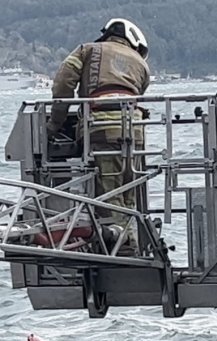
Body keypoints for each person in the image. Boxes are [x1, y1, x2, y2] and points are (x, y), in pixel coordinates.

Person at [47, 18, 150, 253]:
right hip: (135, 132)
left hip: (100, 129)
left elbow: (62, 86)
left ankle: (120, 247)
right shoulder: (141, 64)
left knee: (108, 192)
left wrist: (55, 124)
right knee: (128, 191)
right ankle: (133, 243)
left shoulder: (86, 50)